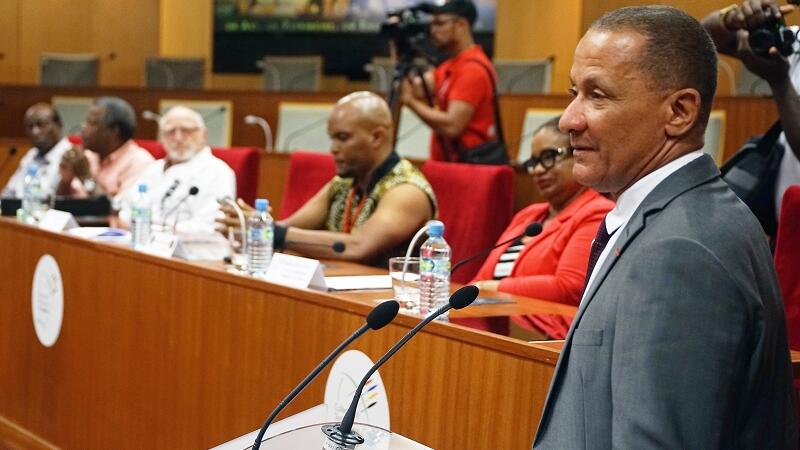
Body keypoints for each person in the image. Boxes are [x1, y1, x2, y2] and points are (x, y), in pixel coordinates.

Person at [533, 6, 797, 449]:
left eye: (597, 95)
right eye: (574, 92)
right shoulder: (671, 219)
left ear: (679, 111)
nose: (568, 120)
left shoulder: (681, 252)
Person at [220, 91, 436, 266]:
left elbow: (358, 247)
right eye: (332, 138)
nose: (333, 149)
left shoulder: (406, 190)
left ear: (376, 137)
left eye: (343, 138)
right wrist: (251, 225)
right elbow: (288, 230)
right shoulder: (343, 183)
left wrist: (271, 232)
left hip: (393, 307)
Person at [469, 117, 613, 339]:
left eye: (548, 157)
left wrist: (492, 288)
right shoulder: (529, 216)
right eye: (533, 161)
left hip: (545, 340)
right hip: (496, 329)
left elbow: (568, 287)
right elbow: (480, 281)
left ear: (578, 153)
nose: (536, 170)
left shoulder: (596, 213)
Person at [702, 0, 800, 239]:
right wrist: (733, 18)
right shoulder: (795, 41)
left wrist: (780, 83)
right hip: (786, 236)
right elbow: (702, 38)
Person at [400, 0, 498, 162]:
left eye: (440, 24)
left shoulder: (473, 69)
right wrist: (400, 48)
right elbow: (417, 88)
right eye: (431, 25)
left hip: (468, 168)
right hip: (449, 164)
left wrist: (410, 102)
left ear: (461, 25)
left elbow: (452, 125)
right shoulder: (448, 66)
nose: (433, 31)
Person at [115, 106, 235, 234]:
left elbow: (210, 227)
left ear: (203, 135)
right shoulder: (154, 168)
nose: (178, 138)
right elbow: (126, 211)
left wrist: (151, 228)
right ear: (161, 138)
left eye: (186, 131)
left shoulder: (217, 172)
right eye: (170, 132)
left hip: (190, 251)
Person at [57, 96, 154, 198]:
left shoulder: (139, 162)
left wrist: (85, 177)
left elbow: (120, 210)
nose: (83, 127)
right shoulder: (89, 156)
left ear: (114, 131)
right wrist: (65, 181)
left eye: (91, 123)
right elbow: (61, 202)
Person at [2, 103, 72, 197]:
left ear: (58, 124)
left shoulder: (71, 154)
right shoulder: (31, 155)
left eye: (41, 125)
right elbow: (8, 194)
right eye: (30, 126)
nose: (35, 132)